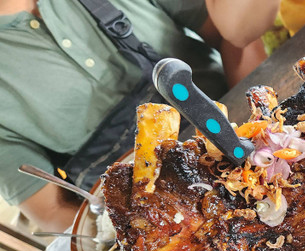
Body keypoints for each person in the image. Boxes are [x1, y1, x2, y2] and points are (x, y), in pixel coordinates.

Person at [0, 0, 279, 232]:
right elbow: (51, 209)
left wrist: (261, 132)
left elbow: (234, 38)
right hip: (164, 220)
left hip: (249, 138)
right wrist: (130, 231)